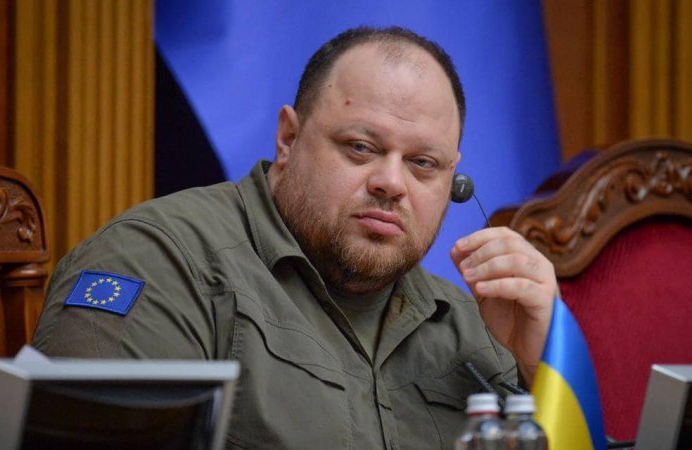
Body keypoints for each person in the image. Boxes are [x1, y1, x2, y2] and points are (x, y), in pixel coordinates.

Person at [33, 26, 557, 449]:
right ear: (288, 138)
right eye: (360, 147)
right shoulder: (158, 262)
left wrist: (541, 367)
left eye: (423, 163)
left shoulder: (476, 324)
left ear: (453, 182)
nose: (392, 183)